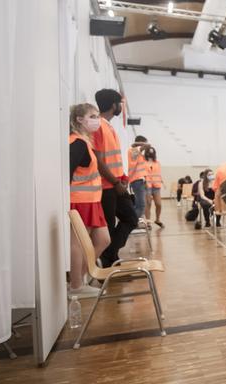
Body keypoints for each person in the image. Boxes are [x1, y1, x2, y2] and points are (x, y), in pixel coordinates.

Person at [68, 103, 109, 298]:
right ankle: (76, 286)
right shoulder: (77, 143)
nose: (96, 119)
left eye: (97, 115)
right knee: (78, 244)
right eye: (92, 116)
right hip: (80, 201)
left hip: (93, 201)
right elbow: (67, 172)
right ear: (79, 120)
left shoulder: (86, 143)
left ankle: (80, 278)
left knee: (103, 240)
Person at [93, 89, 137, 268]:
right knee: (110, 226)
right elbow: (98, 160)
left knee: (131, 219)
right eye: (120, 103)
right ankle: (108, 264)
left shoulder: (109, 126)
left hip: (116, 184)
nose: (121, 107)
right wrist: (115, 182)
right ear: (113, 105)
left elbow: (113, 159)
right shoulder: (98, 127)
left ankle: (110, 254)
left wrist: (123, 177)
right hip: (107, 187)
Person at [126, 135, 150, 219]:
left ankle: (133, 224)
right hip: (137, 181)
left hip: (139, 181)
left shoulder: (137, 153)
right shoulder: (133, 151)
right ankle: (131, 224)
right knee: (141, 206)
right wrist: (138, 144)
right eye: (144, 142)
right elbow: (148, 145)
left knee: (138, 205)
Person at [144, 147, 164, 228]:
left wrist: (161, 181)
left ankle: (157, 220)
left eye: (152, 152)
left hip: (156, 186)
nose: (150, 153)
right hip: (147, 185)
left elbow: (158, 173)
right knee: (148, 204)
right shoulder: (143, 162)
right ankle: (148, 222)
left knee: (158, 204)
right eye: (149, 152)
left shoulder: (157, 163)